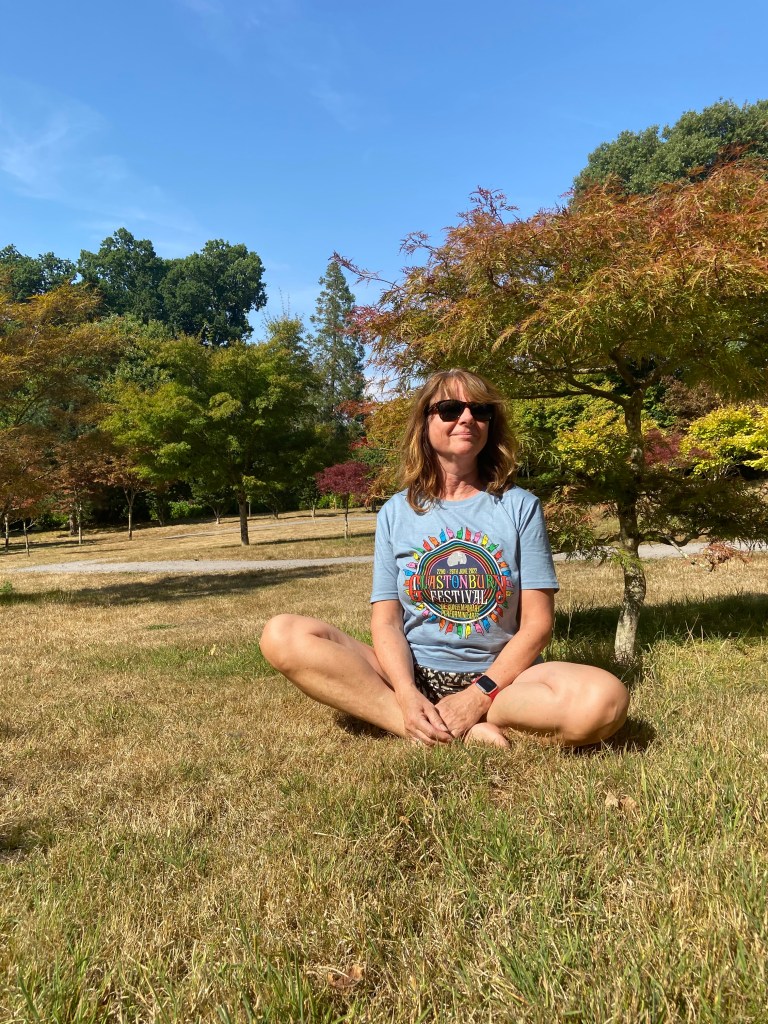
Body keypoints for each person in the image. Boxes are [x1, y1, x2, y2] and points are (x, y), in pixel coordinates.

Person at [260, 369, 629, 748]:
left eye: (480, 410)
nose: (467, 418)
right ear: (425, 423)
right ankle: (415, 724)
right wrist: (404, 692)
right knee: (282, 634)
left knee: (604, 701)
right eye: (451, 409)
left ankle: (477, 719)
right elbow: (386, 622)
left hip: (503, 681)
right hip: (413, 674)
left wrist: (478, 695)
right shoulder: (396, 512)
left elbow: (537, 625)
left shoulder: (520, 507)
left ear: (490, 423)